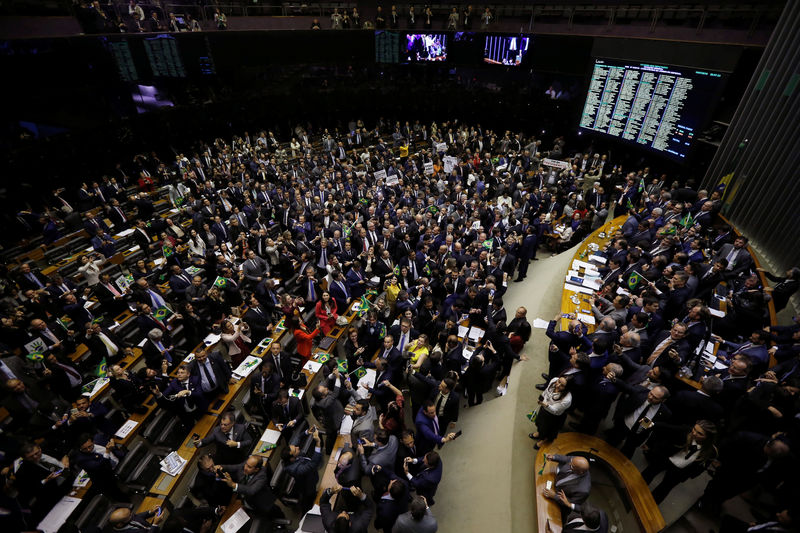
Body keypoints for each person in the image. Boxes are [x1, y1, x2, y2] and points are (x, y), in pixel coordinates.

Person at [641, 420, 718, 503]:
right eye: (694, 429)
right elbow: (664, 427)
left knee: (663, 489)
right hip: (666, 458)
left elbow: (701, 467)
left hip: (679, 471)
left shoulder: (711, 452)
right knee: (647, 475)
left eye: (700, 433)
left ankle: (648, 505)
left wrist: (688, 475)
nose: (694, 433)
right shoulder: (685, 431)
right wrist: (644, 421)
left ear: (708, 438)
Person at [217, 455, 283, 518]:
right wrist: (220, 467)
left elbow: (251, 490)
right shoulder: (247, 465)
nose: (245, 468)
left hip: (263, 503)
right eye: (246, 464)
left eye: (249, 467)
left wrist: (233, 485)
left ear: (256, 470)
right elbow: (235, 467)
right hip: (250, 502)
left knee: (273, 513)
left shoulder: (262, 477)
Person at [281, 426, 323, 513]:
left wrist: (307, 432)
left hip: (307, 475)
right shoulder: (295, 469)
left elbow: (297, 438)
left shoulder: (291, 451)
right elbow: (313, 464)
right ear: (292, 459)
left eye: (295, 447)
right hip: (307, 484)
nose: (298, 448)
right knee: (309, 498)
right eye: (295, 450)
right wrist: (318, 442)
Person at [529, 376, 572, 449]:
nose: (558, 385)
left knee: (548, 430)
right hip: (544, 408)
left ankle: (544, 440)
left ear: (567, 388)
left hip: (553, 416)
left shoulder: (567, 399)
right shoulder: (554, 380)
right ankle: (539, 433)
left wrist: (546, 405)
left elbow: (555, 410)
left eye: (562, 385)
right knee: (540, 422)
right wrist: (542, 397)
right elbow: (546, 391)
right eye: (559, 381)